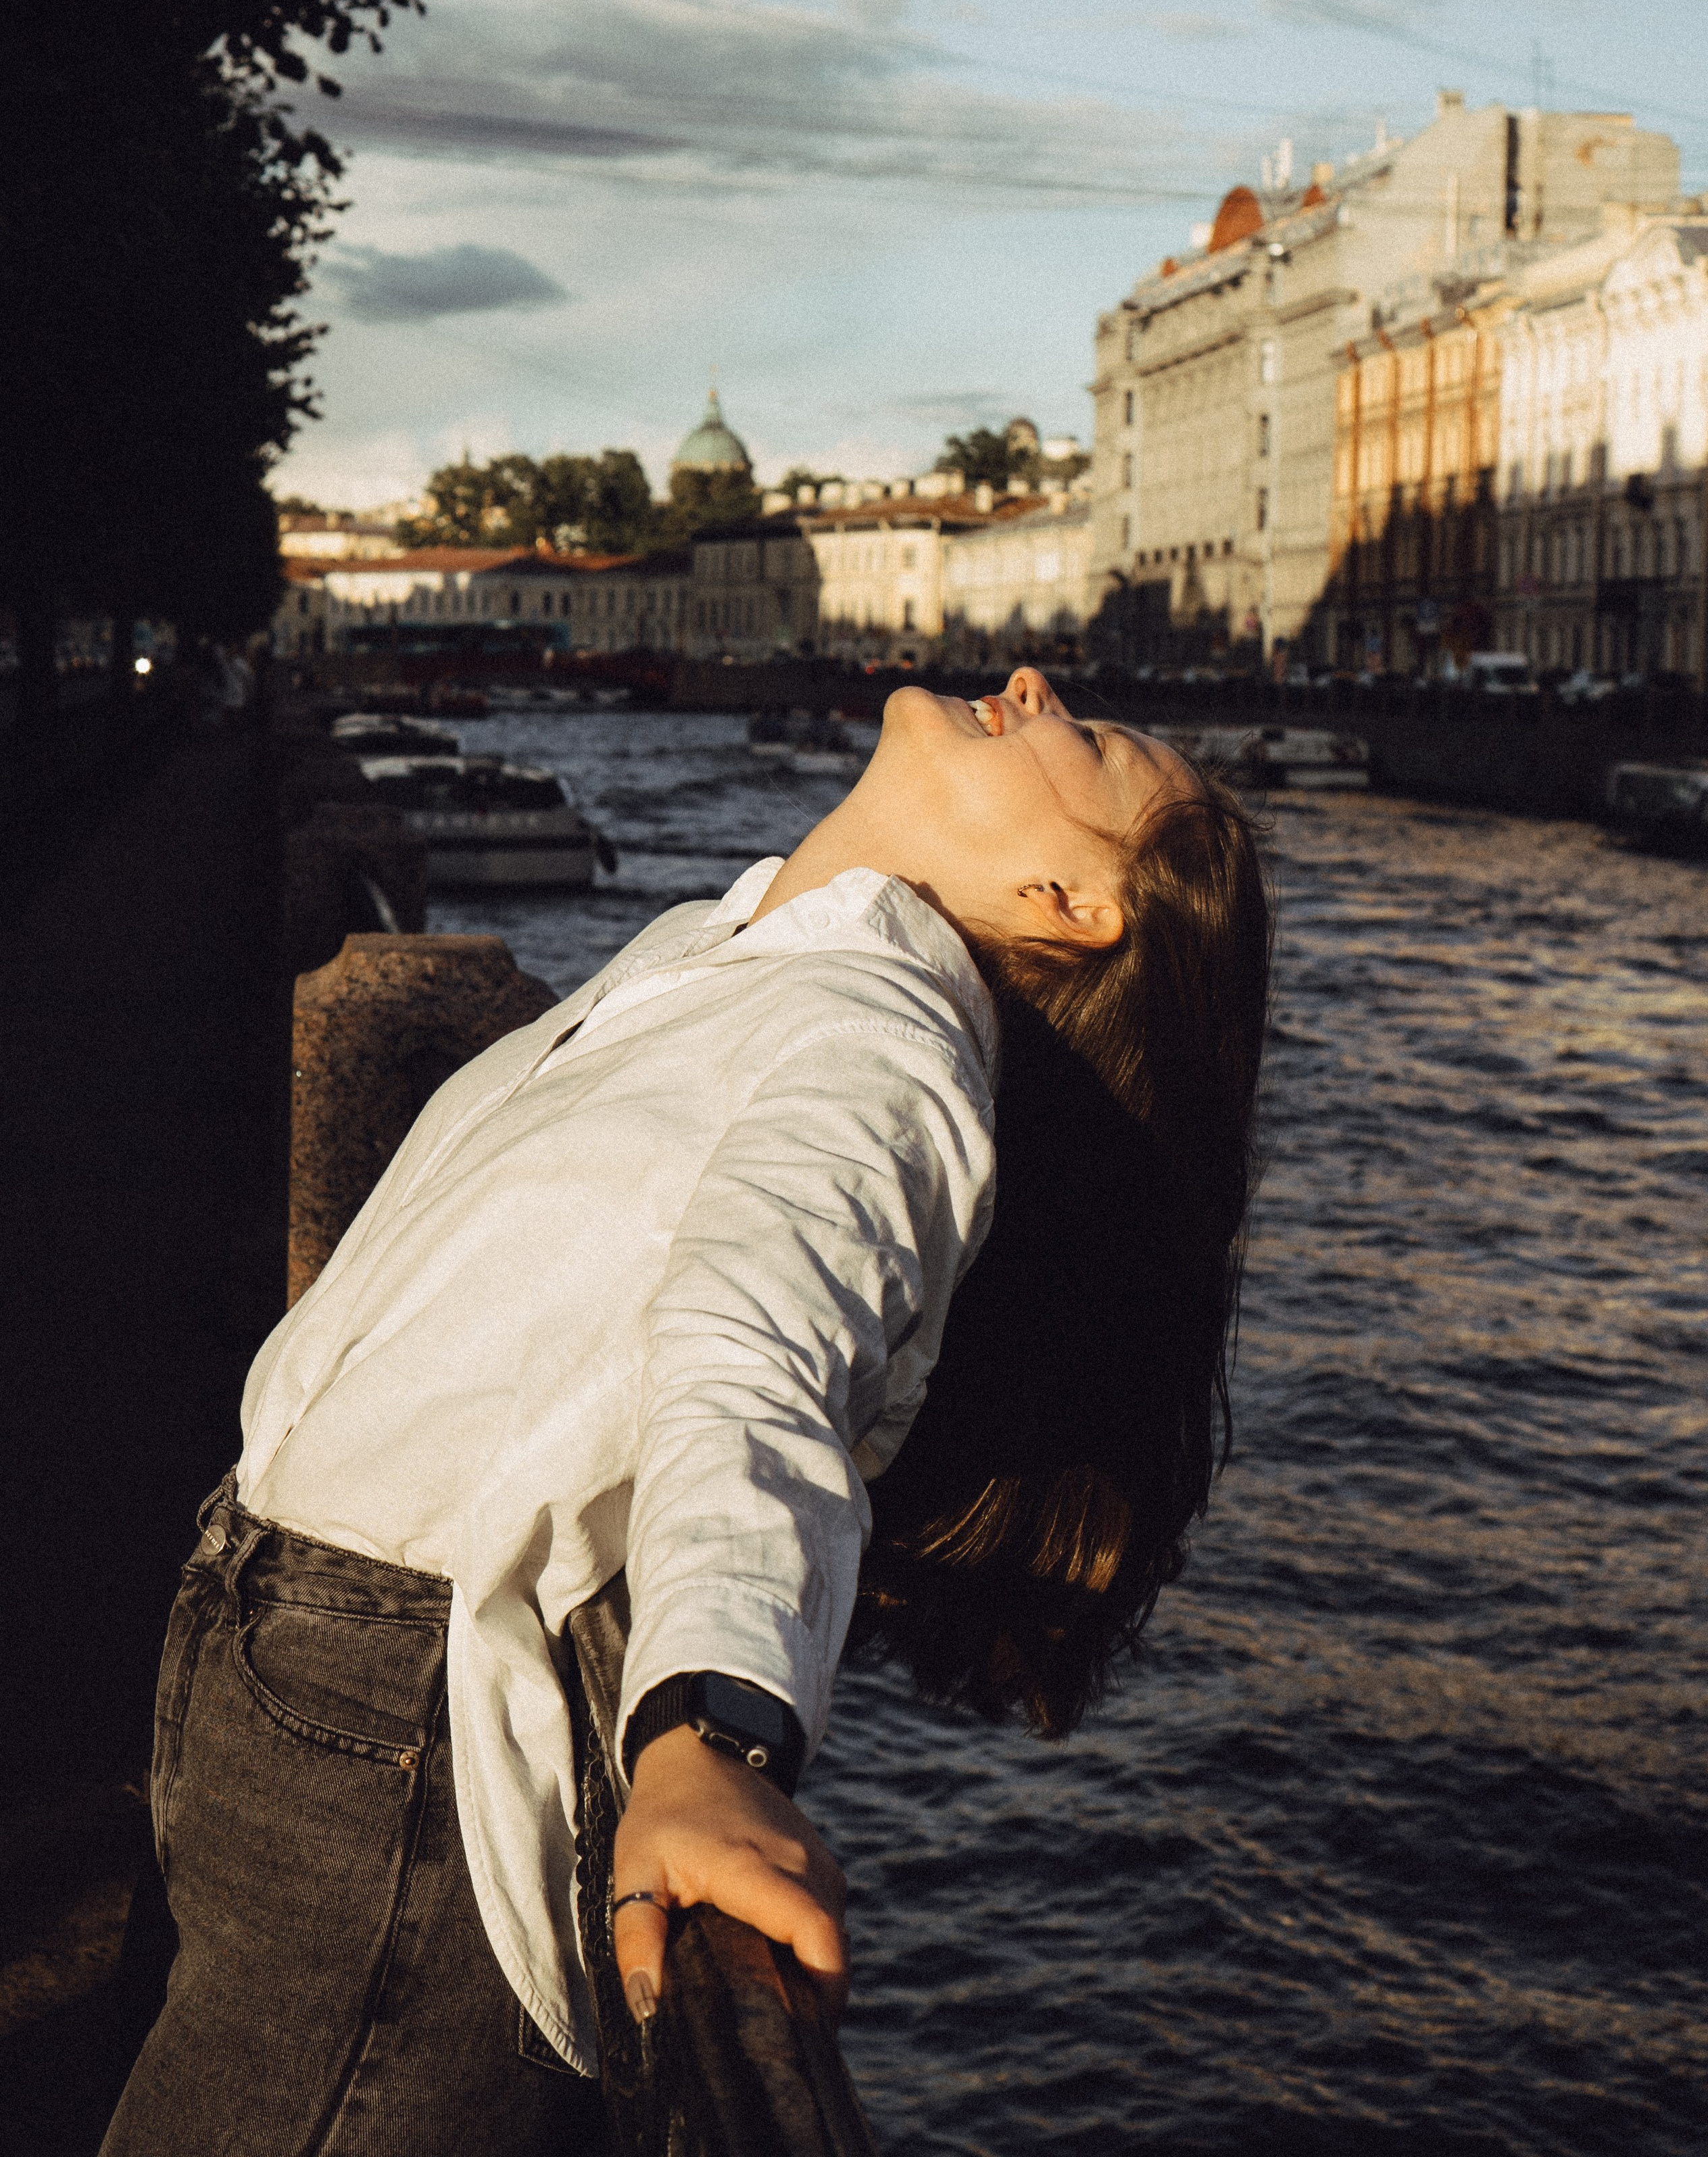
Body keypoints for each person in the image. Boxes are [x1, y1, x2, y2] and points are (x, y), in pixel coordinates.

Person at [101, 667, 1269, 2156]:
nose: (1035, 686)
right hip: (280, 1659)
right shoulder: (732, 950)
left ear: (1070, 903)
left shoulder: (884, 1049)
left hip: (393, 1738)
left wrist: (710, 1735)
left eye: (1087, 741)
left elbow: (759, 1363)